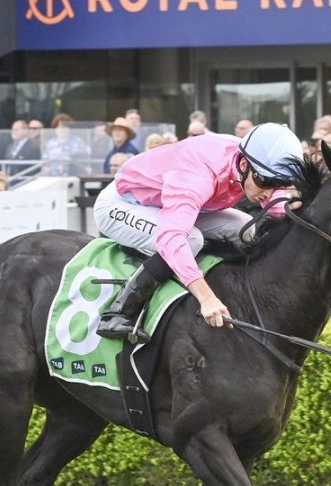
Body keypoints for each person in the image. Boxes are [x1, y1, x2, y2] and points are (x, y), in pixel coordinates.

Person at [93, 122, 303, 340]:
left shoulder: (251, 161)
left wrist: (291, 211)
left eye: (278, 183)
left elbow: (278, 204)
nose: (269, 191)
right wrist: (206, 298)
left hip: (171, 203)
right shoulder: (198, 175)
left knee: (244, 228)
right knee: (191, 240)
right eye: (266, 181)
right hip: (122, 204)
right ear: (243, 166)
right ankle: (119, 311)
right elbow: (171, 238)